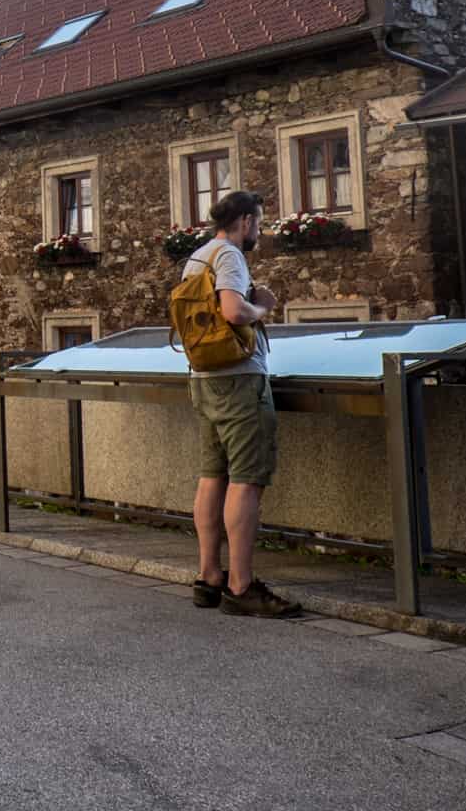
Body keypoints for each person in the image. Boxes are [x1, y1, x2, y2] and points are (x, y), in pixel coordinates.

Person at [183, 191, 300, 618]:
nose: (260, 231)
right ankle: (241, 586)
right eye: (259, 223)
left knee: (211, 476)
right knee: (247, 479)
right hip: (238, 381)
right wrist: (263, 306)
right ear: (246, 221)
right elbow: (233, 312)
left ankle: (208, 577)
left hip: (204, 380)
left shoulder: (197, 256)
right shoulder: (229, 255)